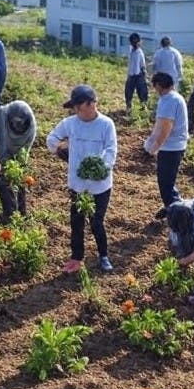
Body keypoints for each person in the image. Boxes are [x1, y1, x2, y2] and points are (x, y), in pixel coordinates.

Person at [47, 85, 118, 274]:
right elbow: (51, 139)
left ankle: (103, 255)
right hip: (77, 184)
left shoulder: (106, 124)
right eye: (74, 108)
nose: (76, 111)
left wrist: (101, 166)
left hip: (100, 185)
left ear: (92, 104)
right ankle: (76, 257)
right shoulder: (70, 123)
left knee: (96, 222)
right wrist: (60, 150)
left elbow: (111, 150)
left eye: (79, 107)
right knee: (76, 221)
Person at [144, 72, 188, 219]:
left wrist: (155, 146)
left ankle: (177, 212)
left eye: (154, 86)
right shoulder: (174, 97)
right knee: (168, 181)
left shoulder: (169, 100)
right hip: (174, 146)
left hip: (171, 147)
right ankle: (171, 206)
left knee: (165, 183)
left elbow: (166, 127)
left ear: (158, 85)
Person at [0, 100, 37, 224]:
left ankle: (22, 213)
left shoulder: (31, 124)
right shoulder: (0, 116)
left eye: (21, 123)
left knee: (20, 179)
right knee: (2, 182)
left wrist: (18, 167)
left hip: (17, 153)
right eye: (15, 123)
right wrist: (5, 167)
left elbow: (25, 149)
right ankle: (9, 215)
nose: (18, 126)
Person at [124, 32, 148, 113]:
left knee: (142, 92)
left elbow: (142, 65)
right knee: (128, 92)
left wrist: (145, 75)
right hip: (131, 75)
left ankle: (143, 108)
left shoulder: (139, 52)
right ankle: (129, 108)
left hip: (138, 75)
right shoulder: (131, 50)